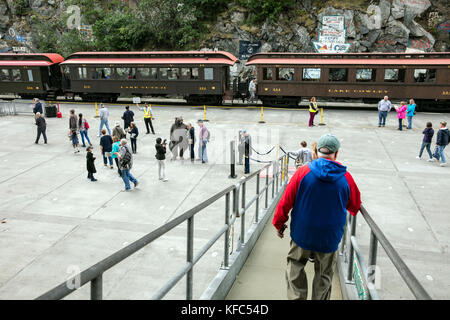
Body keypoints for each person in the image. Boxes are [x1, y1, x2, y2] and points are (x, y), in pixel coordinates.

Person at [273, 134, 361, 300]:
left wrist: (279, 224)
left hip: (302, 233)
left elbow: (285, 202)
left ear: (316, 152)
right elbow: (354, 206)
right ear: (336, 154)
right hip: (329, 236)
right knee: (324, 274)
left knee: (295, 267)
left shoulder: (302, 173)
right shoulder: (346, 178)